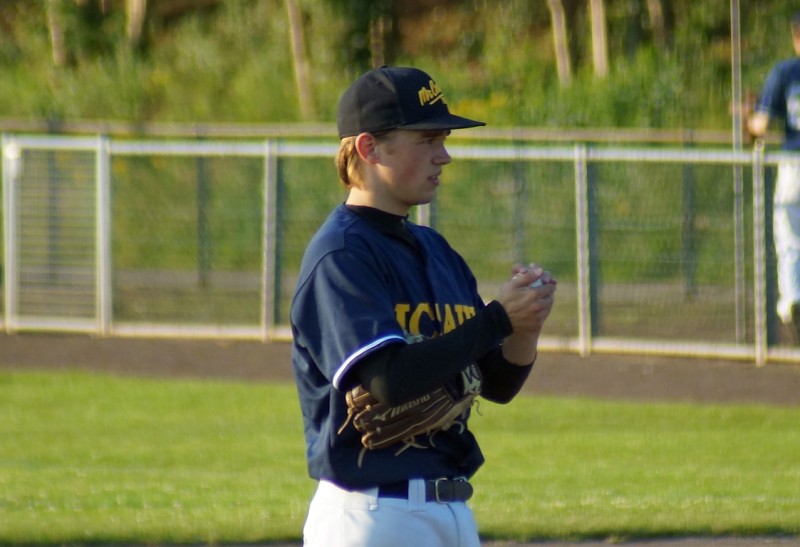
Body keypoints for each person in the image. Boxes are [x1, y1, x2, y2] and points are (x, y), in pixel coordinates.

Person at [290, 65, 556, 547]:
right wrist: (497, 318)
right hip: (372, 513)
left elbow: (496, 384)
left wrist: (524, 327)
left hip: (450, 509)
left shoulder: (437, 251)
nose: (444, 156)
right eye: (428, 140)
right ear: (369, 148)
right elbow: (387, 381)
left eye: (443, 140)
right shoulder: (342, 255)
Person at [748, 10, 800, 343]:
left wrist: (747, 120)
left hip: (794, 164)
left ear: (796, 36)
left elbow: (761, 125)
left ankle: (792, 300)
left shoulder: (785, 72)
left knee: (790, 239)